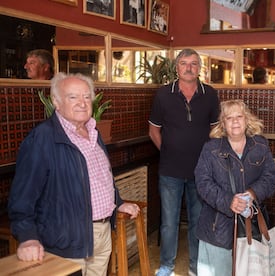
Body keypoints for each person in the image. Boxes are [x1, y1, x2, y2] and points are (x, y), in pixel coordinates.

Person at [8, 72, 140, 276]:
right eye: (73, 97)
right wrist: (27, 237)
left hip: (102, 233)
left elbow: (100, 178)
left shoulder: (93, 133)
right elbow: (22, 198)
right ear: (56, 102)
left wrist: (118, 202)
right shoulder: (42, 139)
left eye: (87, 97)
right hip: (66, 240)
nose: (82, 103)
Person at [148, 48, 220, 276]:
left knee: (199, 222)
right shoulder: (163, 94)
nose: (189, 68)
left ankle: (195, 266)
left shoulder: (210, 94)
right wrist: (168, 151)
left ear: (200, 68)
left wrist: (207, 160)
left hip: (201, 173)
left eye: (194, 64)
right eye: (184, 63)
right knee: (169, 223)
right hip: (170, 171)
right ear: (177, 67)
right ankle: (167, 266)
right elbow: (153, 131)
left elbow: (216, 130)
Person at [194, 99, 275, 276]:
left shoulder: (261, 146)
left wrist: (253, 193)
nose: (235, 121)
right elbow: (202, 182)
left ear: (247, 119)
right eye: (229, 118)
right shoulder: (210, 149)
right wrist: (228, 201)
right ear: (223, 124)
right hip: (217, 230)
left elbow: (270, 178)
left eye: (239, 116)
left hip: (252, 227)